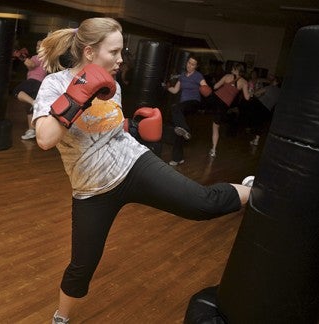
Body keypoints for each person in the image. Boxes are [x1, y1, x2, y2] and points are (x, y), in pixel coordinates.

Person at [31, 17, 252, 324]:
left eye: (123, 51)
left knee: (201, 204)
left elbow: (109, 129)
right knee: (83, 265)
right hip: (91, 189)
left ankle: (255, 189)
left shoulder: (114, 86)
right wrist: (77, 93)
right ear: (91, 53)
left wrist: (132, 128)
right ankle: (61, 319)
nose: (121, 59)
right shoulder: (54, 85)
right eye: (114, 52)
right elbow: (44, 139)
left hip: (133, 165)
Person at [166, 54, 209, 165]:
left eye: (193, 64)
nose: (190, 66)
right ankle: (177, 158)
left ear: (196, 66)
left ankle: (186, 130)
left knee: (175, 108)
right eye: (189, 63)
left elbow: (205, 86)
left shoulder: (198, 76)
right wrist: (167, 87)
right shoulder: (182, 76)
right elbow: (175, 90)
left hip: (193, 103)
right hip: (183, 106)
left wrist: (206, 89)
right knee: (178, 131)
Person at [207, 63, 250, 157]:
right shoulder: (244, 82)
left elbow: (215, 87)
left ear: (236, 70)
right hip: (224, 105)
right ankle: (213, 150)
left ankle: (214, 149)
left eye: (233, 68)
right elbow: (247, 98)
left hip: (216, 100)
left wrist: (224, 86)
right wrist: (251, 92)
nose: (231, 69)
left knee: (215, 125)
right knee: (216, 126)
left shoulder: (227, 76)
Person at [12, 39, 47, 140]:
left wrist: (20, 55)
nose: (37, 48)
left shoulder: (39, 57)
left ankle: (35, 103)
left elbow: (31, 64)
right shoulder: (45, 58)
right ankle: (32, 130)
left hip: (34, 82)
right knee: (29, 108)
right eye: (37, 46)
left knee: (17, 91)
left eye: (40, 46)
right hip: (39, 85)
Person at [247, 76, 282, 146]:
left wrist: (256, 91)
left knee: (255, 120)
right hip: (268, 109)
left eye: (273, 80)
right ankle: (256, 139)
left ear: (276, 82)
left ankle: (251, 130)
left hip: (260, 105)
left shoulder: (269, 87)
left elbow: (256, 93)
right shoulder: (280, 92)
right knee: (261, 124)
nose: (272, 81)